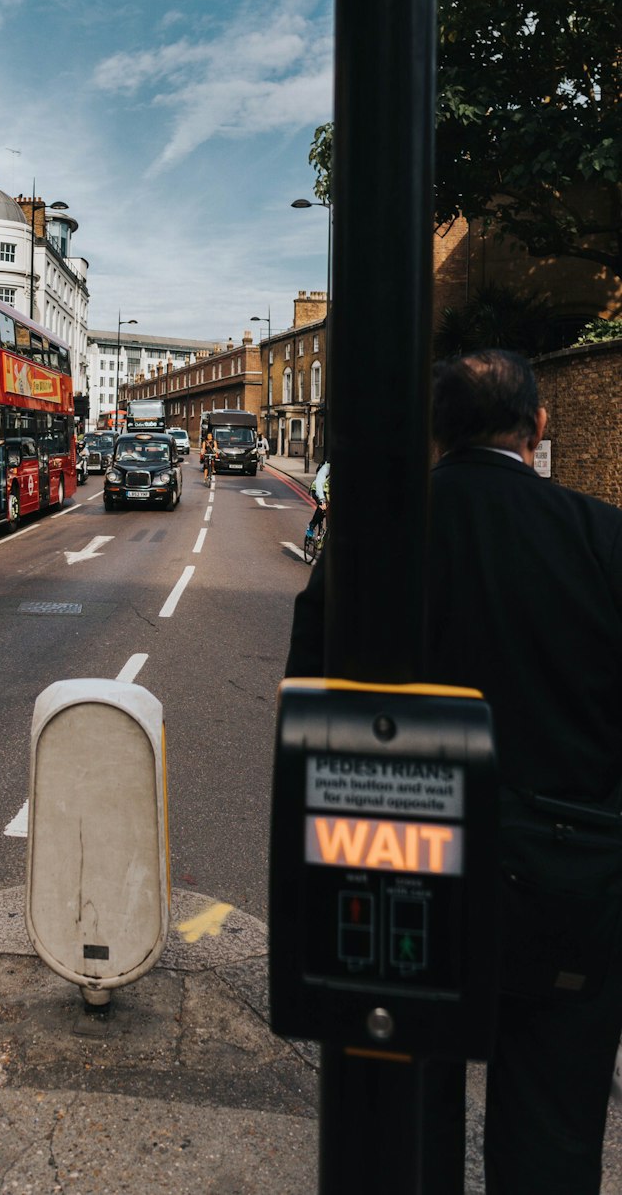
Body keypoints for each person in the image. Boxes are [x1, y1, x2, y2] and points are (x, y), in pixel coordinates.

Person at [286, 351, 622, 1193]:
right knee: (552, 1132)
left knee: (405, 1113)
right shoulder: (603, 536)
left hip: (405, 878)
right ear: (539, 428)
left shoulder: (379, 534)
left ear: (436, 432)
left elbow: (307, 699)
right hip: (569, 882)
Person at [305, 458, 329, 539]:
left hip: (328, 491)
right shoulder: (326, 467)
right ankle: (311, 526)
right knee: (322, 508)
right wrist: (322, 499)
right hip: (317, 490)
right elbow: (319, 483)